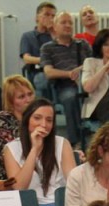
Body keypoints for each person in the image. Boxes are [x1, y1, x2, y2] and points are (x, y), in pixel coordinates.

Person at [3, 98, 75, 206]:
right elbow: (19, 187)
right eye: (37, 118)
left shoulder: (62, 144)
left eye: (49, 120)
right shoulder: (11, 148)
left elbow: (74, 182)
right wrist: (34, 150)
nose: (44, 124)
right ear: (27, 120)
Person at [41, 11, 89, 145]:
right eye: (63, 22)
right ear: (55, 26)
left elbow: (94, 62)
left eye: (70, 23)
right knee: (71, 98)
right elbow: (48, 72)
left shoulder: (83, 44)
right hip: (64, 85)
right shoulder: (47, 48)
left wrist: (80, 70)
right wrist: (69, 74)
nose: (68, 25)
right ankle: (75, 141)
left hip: (87, 82)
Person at [0, 76, 34, 179]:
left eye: (30, 94)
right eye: (21, 97)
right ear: (10, 101)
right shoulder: (2, 120)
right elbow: (17, 153)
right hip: (9, 177)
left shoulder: (36, 118)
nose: (28, 100)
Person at [81, 29, 109, 127]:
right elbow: (88, 88)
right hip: (99, 105)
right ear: (100, 48)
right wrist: (106, 66)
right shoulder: (91, 62)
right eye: (106, 44)